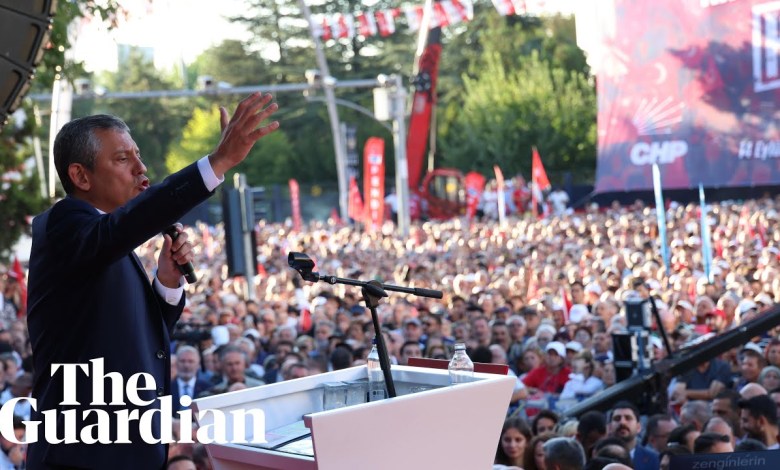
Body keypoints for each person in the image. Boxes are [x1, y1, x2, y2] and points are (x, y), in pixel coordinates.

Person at [26, 93, 279, 469]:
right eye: (123, 159)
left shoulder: (101, 241)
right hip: (82, 457)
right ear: (80, 175)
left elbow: (138, 339)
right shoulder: (64, 225)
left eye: (138, 155)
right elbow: (126, 225)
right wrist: (217, 162)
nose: (141, 169)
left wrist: (166, 283)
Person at [607, 401, 659, 470]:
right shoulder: (602, 457)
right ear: (609, 427)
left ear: (638, 427)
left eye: (628, 418)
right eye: (617, 419)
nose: (622, 422)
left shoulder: (653, 459)